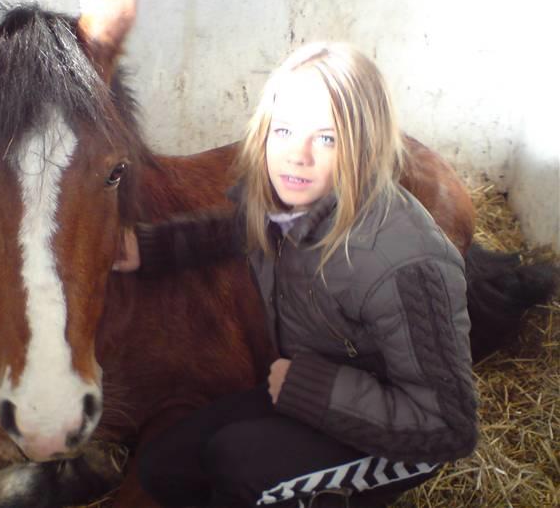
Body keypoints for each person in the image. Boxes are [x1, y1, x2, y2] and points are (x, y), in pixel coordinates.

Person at [113, 43, 478, 508]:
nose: (297, 156)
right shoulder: (285, 204)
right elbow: (231, 229)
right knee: (165, 463)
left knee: (241, 466)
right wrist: (147, 248)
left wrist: (307, 388)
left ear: (363, 145)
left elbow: (449, 429)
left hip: (403, 437)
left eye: (326, 138)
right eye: (283, 130)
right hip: (318, 385)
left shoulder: (406, 262)